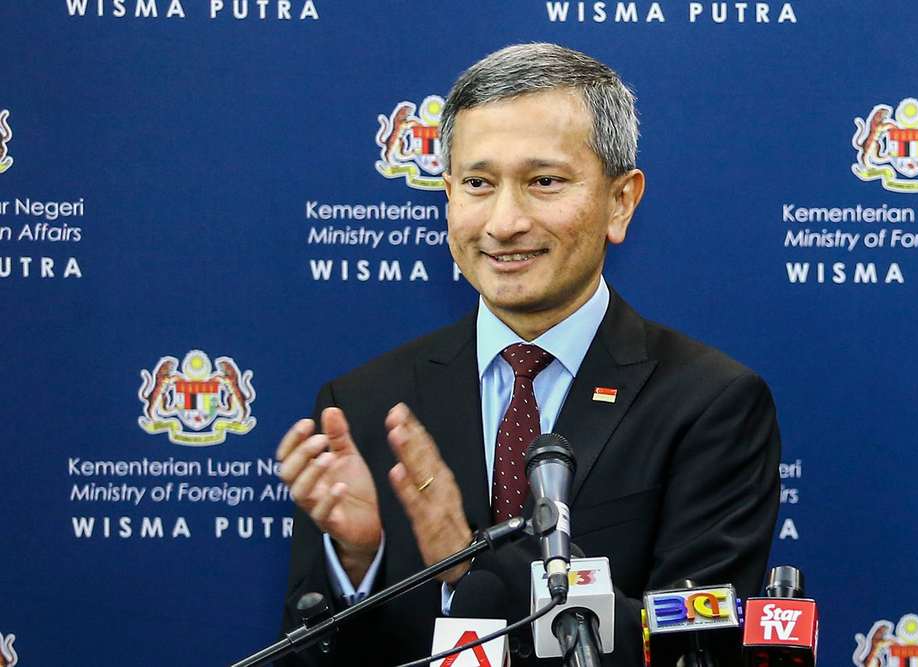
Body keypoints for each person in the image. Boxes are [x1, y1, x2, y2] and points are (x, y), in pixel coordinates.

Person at [276, 43, 780, 666]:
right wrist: (358, 562)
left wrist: (468, 561)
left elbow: (696, 651)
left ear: (620, 202)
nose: (504, 221)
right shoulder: (362, 405)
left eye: (544, 182)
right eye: (478, 184)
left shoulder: (711, 403)